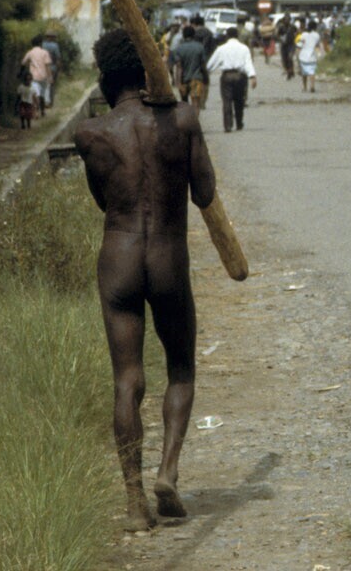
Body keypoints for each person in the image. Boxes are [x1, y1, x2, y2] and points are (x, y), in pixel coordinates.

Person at [74, 28, 217, 531]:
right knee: (181, 368)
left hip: (119, 258)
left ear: (106, 79)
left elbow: (103, 201)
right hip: (168, 258)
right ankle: (168, 472)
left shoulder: (91, 134)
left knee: (127, 380)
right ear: (148, 72)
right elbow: (204, 193)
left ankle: (135, 502)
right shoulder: (183, 120)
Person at [206, 27, 258, 132]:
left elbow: (211, 64)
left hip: (227, 76)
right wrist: (252, 76)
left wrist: (207, 73)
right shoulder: (244, 48)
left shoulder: (221, 48)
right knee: (239, 100)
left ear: (227, 36)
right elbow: (248, 63)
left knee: (227, 101)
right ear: (237, 36)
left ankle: (228, 125)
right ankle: (239, 123)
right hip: (240, 76)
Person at [169, 25, 210, 111]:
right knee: (196, 103)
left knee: (184, 104)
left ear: (183, 35)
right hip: (196, 79)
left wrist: (178, 83)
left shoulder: (179, 49)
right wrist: (206, 78)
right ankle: (195, 119)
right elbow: (203, 66)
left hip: (183, 80)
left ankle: (187, 119)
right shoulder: (200, 47)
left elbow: (179, 67)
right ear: (194, 35)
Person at [22, 35, 55, 117]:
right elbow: (47, 66)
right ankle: (42, 111)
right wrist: (50, 77)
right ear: (40, 44)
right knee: (42, 95)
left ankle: (36, 111)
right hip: (43, 76)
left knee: (35, 95)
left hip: (33, 77)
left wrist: (25, 69)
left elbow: (23, 62)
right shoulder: (45, 52)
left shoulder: (30, 52)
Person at [296, 20, 324, 93]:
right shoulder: (317, 35)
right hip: (312, 56)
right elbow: (317, 45)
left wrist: (297, 55)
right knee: (312, 72)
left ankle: (305, 87)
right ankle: (312, 86)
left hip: (303, 56)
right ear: (315, 27)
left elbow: (299, 45)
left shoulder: (303, 34)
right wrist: (320, 54)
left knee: (304, 73)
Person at [42, 30, 63, 96]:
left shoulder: (42, 44)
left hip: (42, 67)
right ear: (51, 37)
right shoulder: (55, 46)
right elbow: (58, 58)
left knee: (43, 85)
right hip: (52, 67)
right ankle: (50, 99)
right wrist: (59, 69)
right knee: (51, 85)